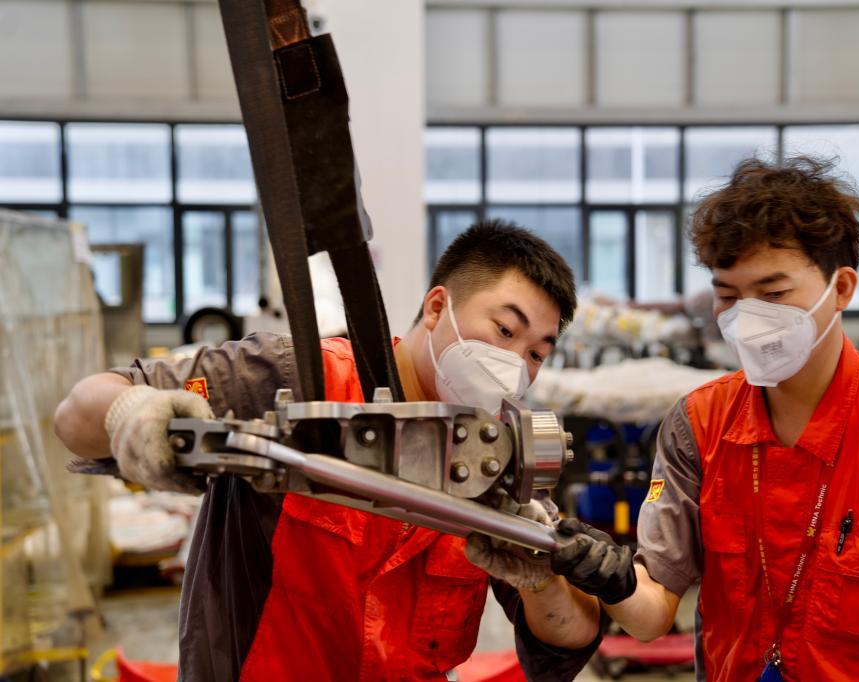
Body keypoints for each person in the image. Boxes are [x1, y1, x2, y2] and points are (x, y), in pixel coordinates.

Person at [54, 220, 602, 681]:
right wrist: (132, 414)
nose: (515, 364)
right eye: (505, 330)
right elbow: (77, 413)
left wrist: (541, 578)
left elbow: (569, 639)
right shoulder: (301, 379)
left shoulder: (495, 458)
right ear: (437, 308)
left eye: (535, 353)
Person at [547, 157, 859, 681]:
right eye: (727, 296)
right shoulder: (698, 424)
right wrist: (604, 576)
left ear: (841, 288)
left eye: (774, 295)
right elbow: (653, 614)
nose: (747, 319)